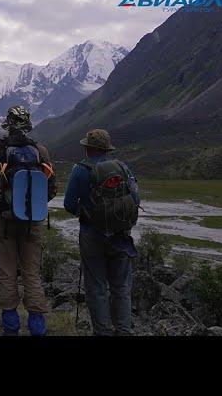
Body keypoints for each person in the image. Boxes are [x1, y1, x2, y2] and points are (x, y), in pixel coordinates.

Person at [0, 106, 56, 336]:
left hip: (4, 221)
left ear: (7, 123)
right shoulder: (40, 151)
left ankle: (11, 327)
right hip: (32, 221)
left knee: (7, 273)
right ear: (28, 123)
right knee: (32, 274)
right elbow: (50, 188)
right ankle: (37, 328)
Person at [63, 129, 140, 336]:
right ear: (107, 149)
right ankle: (124, 330)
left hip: (92, 235)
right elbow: (136, 200)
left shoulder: (80, 170)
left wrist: (86, 212)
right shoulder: (123, 168)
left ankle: (102, 332)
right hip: (120, 235)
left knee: (96, 287)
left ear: (87, 148)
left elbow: (69, 204)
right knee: (121, 287)